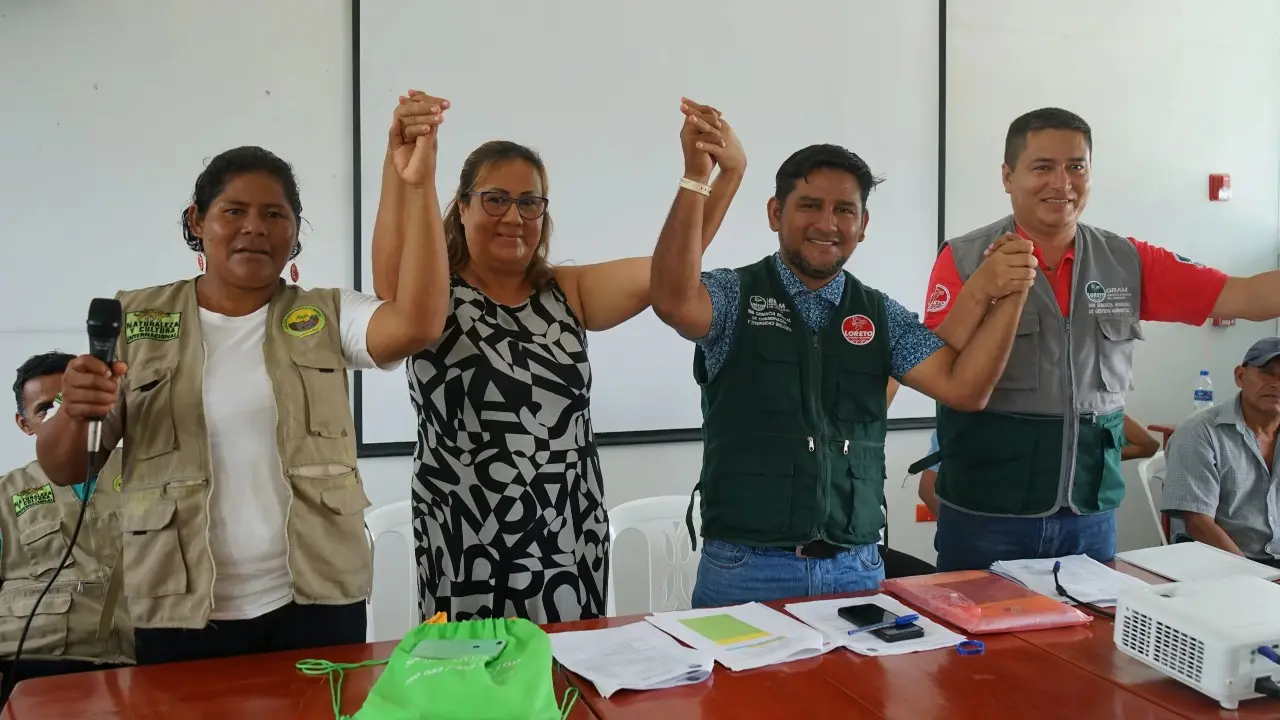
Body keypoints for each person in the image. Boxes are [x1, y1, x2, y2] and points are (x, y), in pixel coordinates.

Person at [34, 96, 449, 665]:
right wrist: (76, 411)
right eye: (234, 211)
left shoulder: (328, 315)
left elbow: (420, 323)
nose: (255, 227)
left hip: (317, 604)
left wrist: (419, 183)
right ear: (197, 221)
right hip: (179, 613)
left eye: (275, 215)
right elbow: (64, 468)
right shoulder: (138, 320)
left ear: (295, 233)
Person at [371, 95, 744, 623]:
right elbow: (390, 277)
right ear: (463, 205)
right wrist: (406, 166)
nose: (514, 217)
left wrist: (715, 175)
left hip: (567, 537)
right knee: (473, 693)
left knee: (567, 684)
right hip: (465, 541)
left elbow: (670, 269)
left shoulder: (565, 291)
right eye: (495, 199)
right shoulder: (429, 296)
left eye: (530, 202)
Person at [650, 121, 1041, 606]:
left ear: (863, 225)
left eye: (844, 210)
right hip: (748, 571)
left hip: (855, 569)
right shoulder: (734, 294)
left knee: (857, 687)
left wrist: (1012, 293)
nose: (827, 223)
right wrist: (698, 179)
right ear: (776, 213)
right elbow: (670, 299)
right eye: (809, 205)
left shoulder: (881, 314)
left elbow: (965, 387)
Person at [923, 107, 1280, 572]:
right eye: (1043, 167)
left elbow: (1246, 295)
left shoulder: (1126, 261)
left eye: (1076, 167)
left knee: (1088, 642)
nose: (1062, 182)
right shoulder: (964, 258)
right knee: (980, 643)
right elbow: (932, 367)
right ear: (1008, 176)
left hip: (1090, 514)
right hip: (988, 512)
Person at [0, 352, 132, 697]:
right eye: (46, 408)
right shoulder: (4, 495)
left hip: (139, 660)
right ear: (25, 424)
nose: (63, 416)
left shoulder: (148, 471)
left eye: (68, 401)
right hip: (34, 664)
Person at [1162, 338, 1280, 566]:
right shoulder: (1199, 432)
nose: (1276, 384)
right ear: (1240, 376)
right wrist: (1253, 577)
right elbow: (1198, 522)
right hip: (1218, 561)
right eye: (1267, 373)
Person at [916, 416, 1158, 518]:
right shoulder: (972, 409)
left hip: (1072, 530)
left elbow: (1147, 445)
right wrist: (963, 531)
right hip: (993, 532)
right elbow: (928, 487)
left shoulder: (1083, 404)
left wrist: (1084, 457)